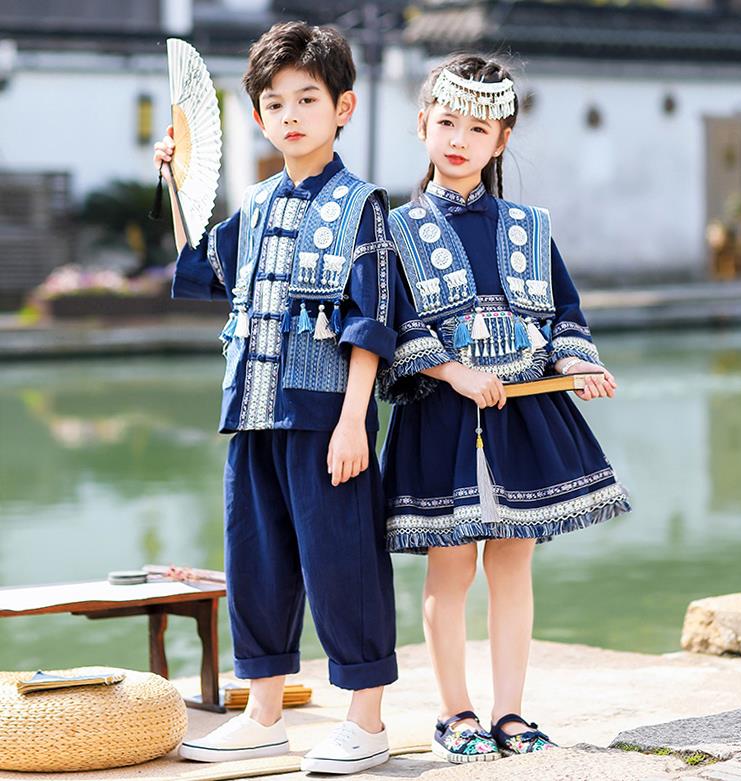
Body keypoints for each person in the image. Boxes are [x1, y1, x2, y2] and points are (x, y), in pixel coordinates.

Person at [153, 21, 408, 774]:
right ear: (258, 115)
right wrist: (176, 183)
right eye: (274, 101)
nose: (290, 113)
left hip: (327, 414)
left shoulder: (363, 206)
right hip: (253, 407)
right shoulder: (256, 204)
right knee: (255, 562)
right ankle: (262, 711)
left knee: (343, 563)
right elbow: (203, 268)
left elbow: (370, 321)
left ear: (344, 108)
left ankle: (366, 721)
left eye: (307, 97)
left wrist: (355, 420)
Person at [378, 53, 632, 763]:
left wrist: (577, 362)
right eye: (447, 121)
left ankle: (511, 711)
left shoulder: (527, 225)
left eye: (478, 127)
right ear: (423, 122)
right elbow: (393, 323)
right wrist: (452, 370)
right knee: (450, 567)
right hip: (442, 416)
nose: (458, 138)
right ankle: (454, 712)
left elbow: (563, 316)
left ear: (502, 139)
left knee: (512, 564)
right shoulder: (393, 230)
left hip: (521, 412)